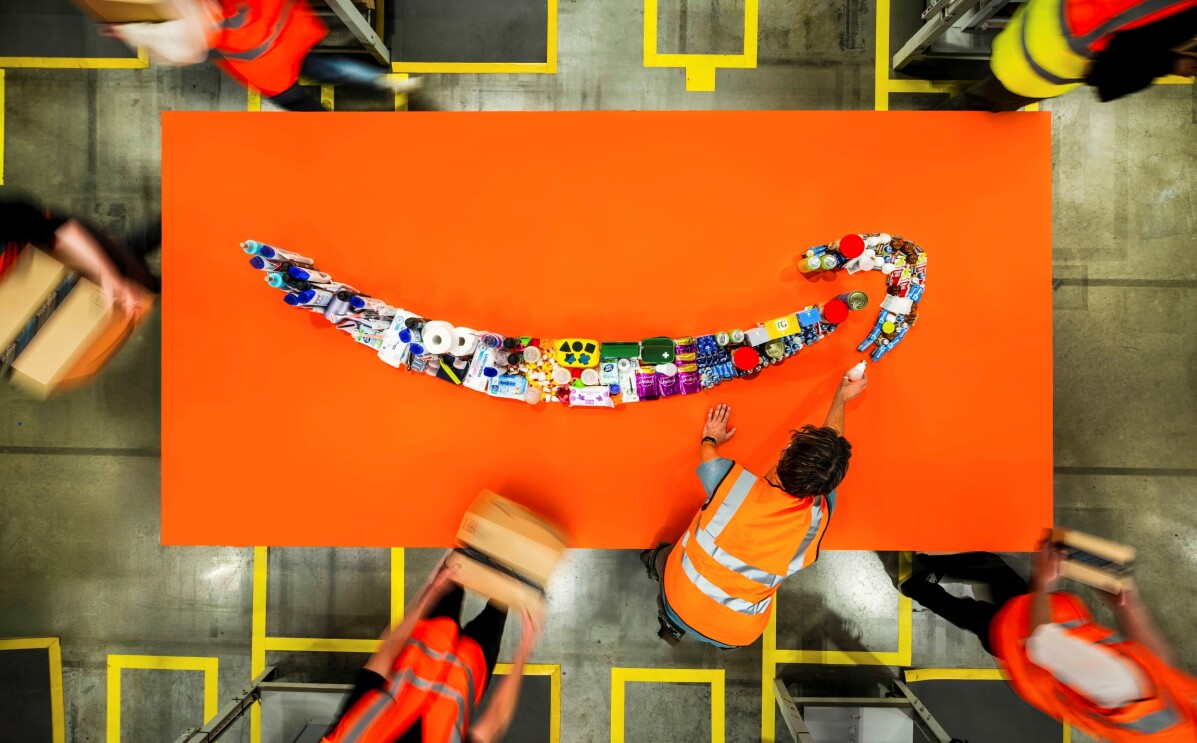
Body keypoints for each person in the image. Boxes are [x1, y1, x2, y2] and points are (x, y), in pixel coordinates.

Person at [640, 370, 868, 648]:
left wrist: (711, 438)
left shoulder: (732, 485)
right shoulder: (816, 518)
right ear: (827, 488)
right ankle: (674, 622)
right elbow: (827, 457)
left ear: (785, 451)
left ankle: (659, 582)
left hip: (680, 600)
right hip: (736, 635)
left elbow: (708, 454)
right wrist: (841, 399)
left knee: (662, 554)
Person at [900, 540, 1197, 740]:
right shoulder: (1183, 723)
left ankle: (914, 583)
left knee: (976, 614)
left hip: (1025, 646)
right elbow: (1161, 668)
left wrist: (1042, 581)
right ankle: (927, 564)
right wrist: (1128, 606)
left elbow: (1044, 644)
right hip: (1047, 637)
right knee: (995, 577)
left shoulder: (1125, 688)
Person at [322, 561, 542, 743]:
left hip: (432, 634)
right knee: (504, 590)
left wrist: (431, 591)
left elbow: (387, 653)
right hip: (473, 663)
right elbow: (494, 721)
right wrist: (525, 646)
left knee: (463, 562)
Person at [105, 0, 420, 112]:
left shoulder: (193, 18)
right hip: (283, 39)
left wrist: (129, 31)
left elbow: (180, 49)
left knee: (300, 103)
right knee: (327, 68)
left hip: (263, 66)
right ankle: (383, 80)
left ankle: (332, 131)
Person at [939, 2, 1197, 111]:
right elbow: (1111, 79)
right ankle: (933, 136)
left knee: (988, 95)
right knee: (984, 102)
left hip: (1032, 21)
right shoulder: (1181, 10)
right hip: (1039, 62)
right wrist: (1171, 64)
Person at [0, 197, 157, 319]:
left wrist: (109, 276)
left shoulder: (7, 217)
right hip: (54, 280)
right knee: (128, 254)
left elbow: (62, 233)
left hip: (74, 250)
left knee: (141, 287)